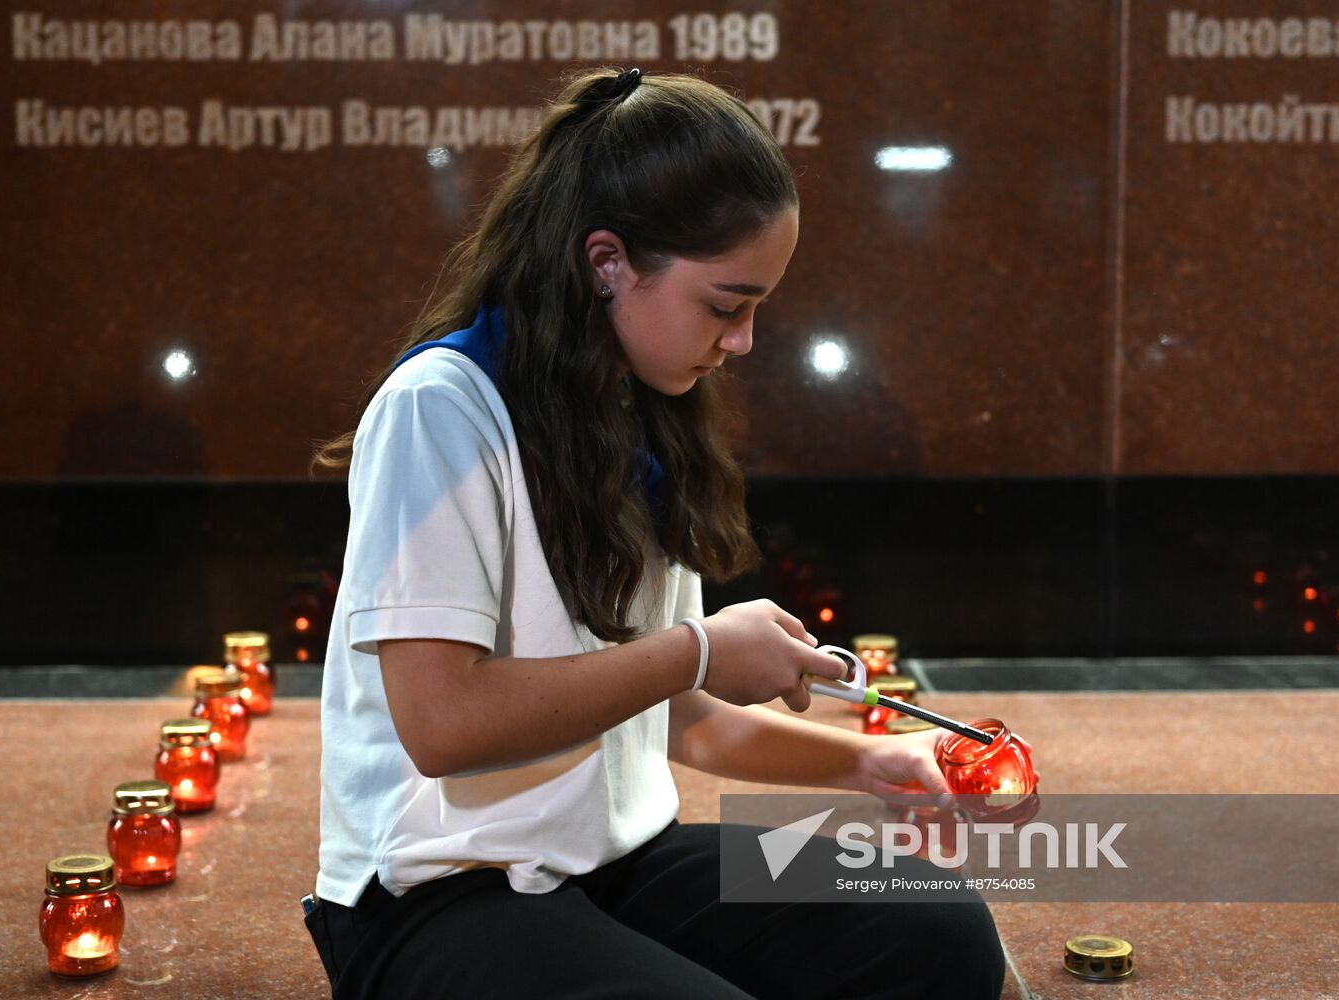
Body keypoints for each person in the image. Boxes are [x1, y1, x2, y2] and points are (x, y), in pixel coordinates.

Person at [306, 66, 1006, 999]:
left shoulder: (640, 408)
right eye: (726, 305)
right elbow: (441, 725)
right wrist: (696, 648)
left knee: (941, 934)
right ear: (607, 262)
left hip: (612, 864)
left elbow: (677, 718)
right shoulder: (443, 408)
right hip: (440, 887)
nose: (744, 341)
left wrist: (872, 760)